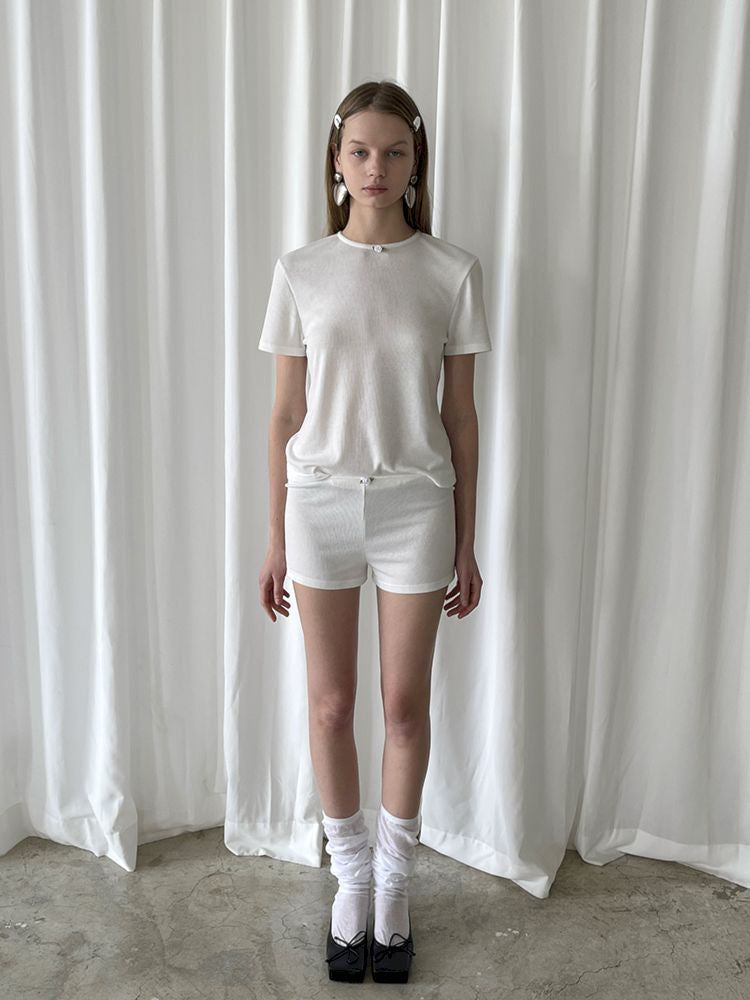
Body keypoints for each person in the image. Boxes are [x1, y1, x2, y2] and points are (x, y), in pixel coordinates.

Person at [257, 79, 492, 983]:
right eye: (360, 151)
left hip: (416, 505)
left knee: (403, 708)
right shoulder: (300, 271)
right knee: (329, 706)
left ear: (416, 161)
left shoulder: (451, 271)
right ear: (336, 159)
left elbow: (460, 416)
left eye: (395, 152)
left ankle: (394, 887)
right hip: (318, 505)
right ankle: (349, 879)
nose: (376, 168)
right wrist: (275, 538)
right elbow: (285, 415)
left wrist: (466, 538)